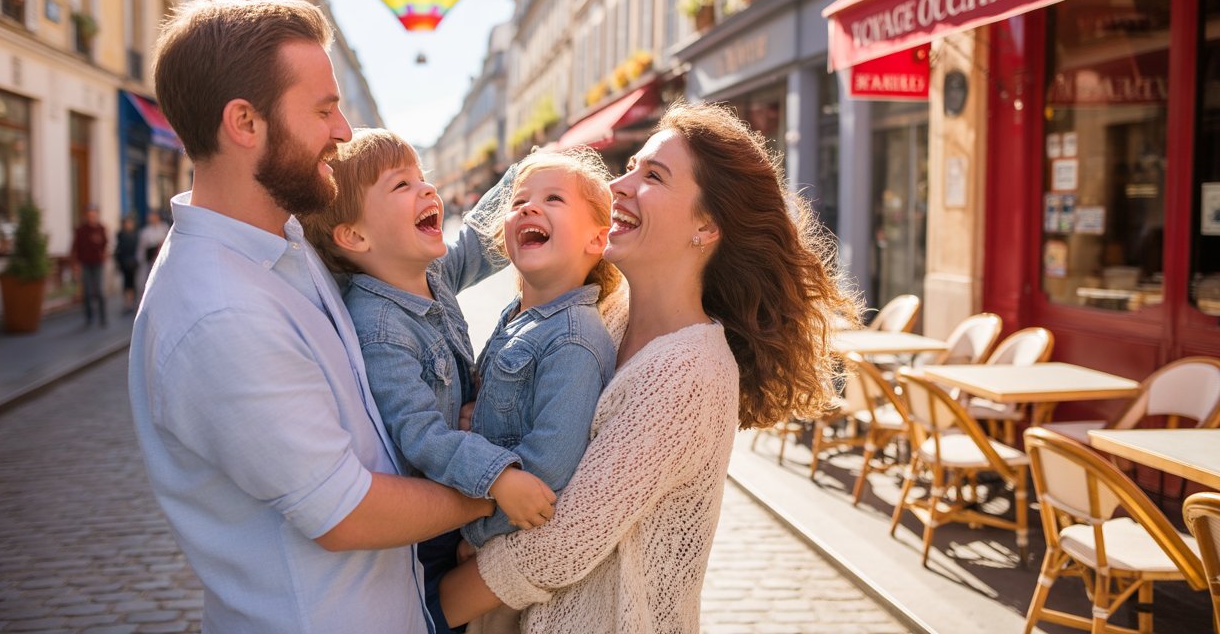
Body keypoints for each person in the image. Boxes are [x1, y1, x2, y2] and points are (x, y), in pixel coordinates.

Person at [127, 0, 493, 633]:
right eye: (323, 110)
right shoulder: (220, 311)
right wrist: (496, 484)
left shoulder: (287, 239)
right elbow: (345, 513)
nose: (344, 131)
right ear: (245, 122)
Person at [440, 102, 858, 632]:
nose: (619, 185)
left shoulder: (689, 370)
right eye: (631, 166)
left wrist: (430, 609)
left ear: (707, 225)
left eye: (653, 175)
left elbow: (560, 546)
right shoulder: (607, 316)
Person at [298, 129, 556, 634]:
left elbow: (480, 241)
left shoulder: (429, 273)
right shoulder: (379, 328)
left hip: (460, 508)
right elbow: (421, 437)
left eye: (422, 178)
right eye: (402, 185)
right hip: (428, 536)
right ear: (355, 237)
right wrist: (498, 479)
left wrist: (537, 171)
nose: (427, 189)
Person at [459, 147, 621, 634]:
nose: (529, 207)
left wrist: (474, 533)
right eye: (518, 201)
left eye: (554, 199)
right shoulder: (518, 314)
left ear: (598, 238)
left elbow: (547, 468)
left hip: (498, 557)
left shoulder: (573, 339)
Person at [71, 204, 108, 327]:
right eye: (90, 215)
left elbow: (105, 245)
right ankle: (89, 317)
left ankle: (103, 317)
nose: (92, 217)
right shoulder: (81, 230)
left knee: (99, 291)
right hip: (85, 263)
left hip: (98, 263)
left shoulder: (101, 229)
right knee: (87, 292)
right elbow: (75, 247)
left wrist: (104, 254)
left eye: (94, 215)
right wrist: (76, 263)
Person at [135, 210, 169, 291]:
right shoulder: (145, 231)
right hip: (150, 259)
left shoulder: (164, 228)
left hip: (162, 258)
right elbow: (142, 247)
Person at [114, 215, 139, 314]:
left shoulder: (136, 235)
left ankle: (132, 302)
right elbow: (118, 249)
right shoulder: (120, 235)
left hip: (134, 263)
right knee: (126, 283)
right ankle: (127, 303)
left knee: (133, 283)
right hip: (124, 263)